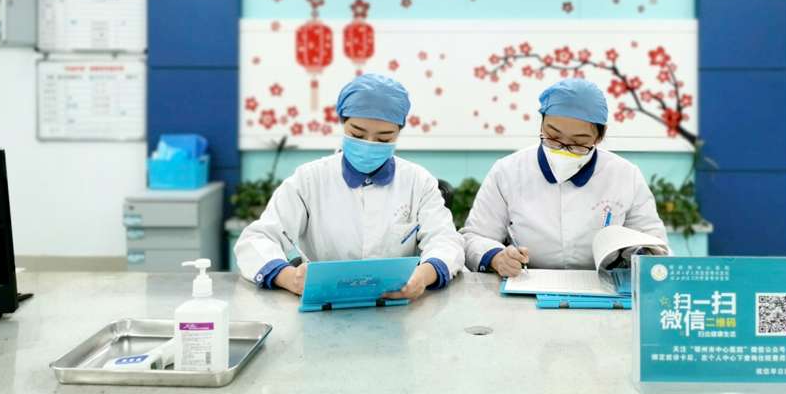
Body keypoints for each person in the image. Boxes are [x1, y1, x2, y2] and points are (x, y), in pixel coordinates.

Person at [235, 74, 465, 300]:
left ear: (398, 132)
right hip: (325, 306)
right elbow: (257, 241)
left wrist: (424, 275)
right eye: (357, 134)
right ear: (343, 122)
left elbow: (446, 241)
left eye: (384, 139)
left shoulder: (418, 182)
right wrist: (288, 277)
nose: (369, 145)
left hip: (399, 307)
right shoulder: (309, 180)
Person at [459, 78, 667, 276]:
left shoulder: (625, 175)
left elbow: (652, 242)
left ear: (599, 136)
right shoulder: (508, 171)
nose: (563, 150)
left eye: (578, 142)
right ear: (542, 124)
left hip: (604, 286)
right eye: (553, 137)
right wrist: (497, 258)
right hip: (527, 284)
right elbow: (474, 237)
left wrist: (645, 253)